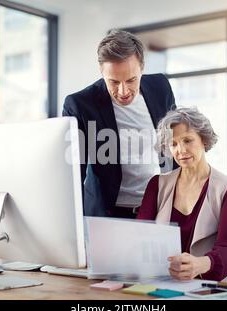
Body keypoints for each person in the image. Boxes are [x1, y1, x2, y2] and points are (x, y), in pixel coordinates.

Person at [63, 29, 176, 218]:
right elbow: (73, 177)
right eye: (113, 82)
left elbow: (175, 145)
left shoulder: (160, 87)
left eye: (131, 80)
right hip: (109, 214)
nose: (123, 91)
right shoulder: (80, 105)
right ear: (101, 72)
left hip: (159, 209)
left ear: (142, 67)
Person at [137, 107, 227, 281]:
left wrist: (199, 265)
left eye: (187, 140)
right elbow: (139, 238)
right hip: (160, 280)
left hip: (205, 284)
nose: (181, 150)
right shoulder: (156, 184)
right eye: (173, 144)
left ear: (204, 140)